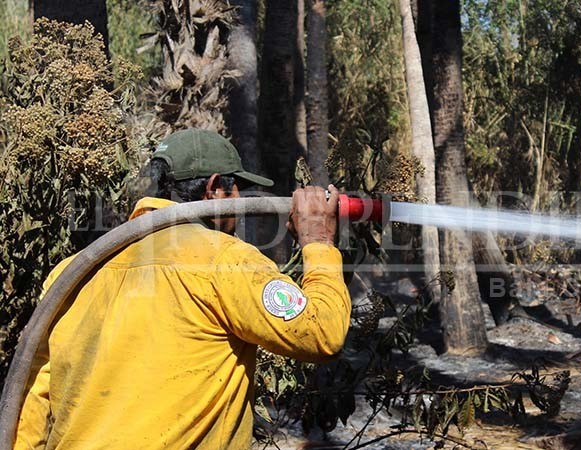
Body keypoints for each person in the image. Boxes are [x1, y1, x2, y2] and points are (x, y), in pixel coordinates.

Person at [14, 128, 351, 449]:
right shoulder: (224, 261)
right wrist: (319, 241)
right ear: (216, 189)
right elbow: (322, 332)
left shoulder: (73, 271)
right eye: (238, 190)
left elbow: (33, 401)